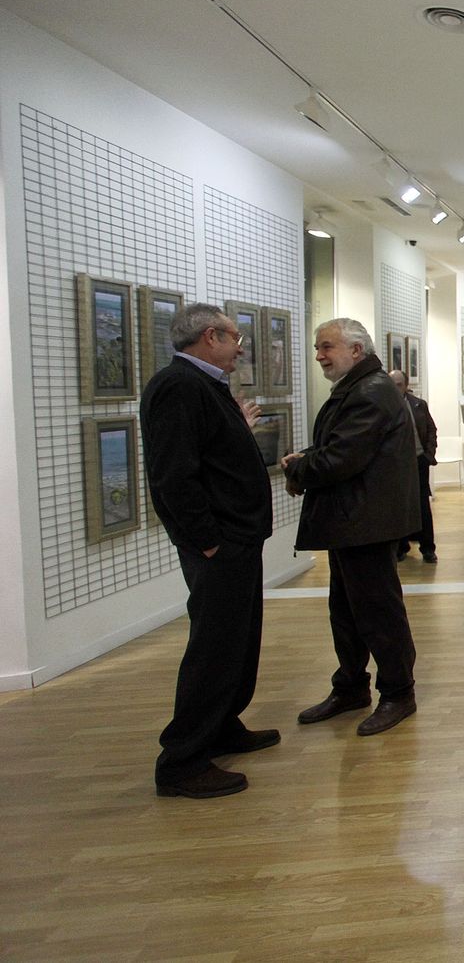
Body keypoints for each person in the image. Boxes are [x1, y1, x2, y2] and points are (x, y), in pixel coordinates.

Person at [141, 303, 276, 799]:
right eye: (235, 337)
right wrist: (208, 539)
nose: (241, 347)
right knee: (214, 649)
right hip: (220, 544)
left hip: (237, 539)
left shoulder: (204, 387)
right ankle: (182, 759)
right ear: (211, 336)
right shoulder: (178, 386)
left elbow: (210, 452)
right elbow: (173, 474)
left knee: (237, 642)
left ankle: (221, 727)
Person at [282, 318, 421, 736]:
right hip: (353, 519)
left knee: (378, 611)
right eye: (317, 348)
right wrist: (307, 460)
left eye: (327, 347)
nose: (320, 355)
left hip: (366, 521)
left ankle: (398, 692)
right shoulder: (360, 388)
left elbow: (342, 458)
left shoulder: (370, 392)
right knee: (345, 609)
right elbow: (340, 447)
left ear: (356, 351)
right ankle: (351, 687)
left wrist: (299, 466)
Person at [390, 369, 438, 563]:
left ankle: (428, 548)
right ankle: (401, 547)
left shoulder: (418, 405)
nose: (395, 389)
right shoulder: (385, 407)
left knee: (422, 506)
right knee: (399, 506)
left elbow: (431, 429)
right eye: (392, 385)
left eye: (399, 385)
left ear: (406, 385)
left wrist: (429, 454)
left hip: (418, 462)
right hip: (397, 466)